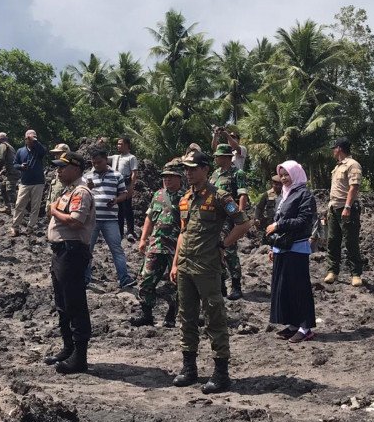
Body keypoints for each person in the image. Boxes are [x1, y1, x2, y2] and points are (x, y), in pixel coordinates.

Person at [169, 150, 251, 393]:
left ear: (206, 169)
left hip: (207, 267)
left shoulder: (219, 196)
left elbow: (243, 222)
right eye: (186, 168)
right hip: (185, 265)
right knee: (186, 316)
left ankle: (221, 373)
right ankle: (189, 368)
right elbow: (183, 233)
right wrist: (175, 263)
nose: (189, 172)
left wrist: (224, 244)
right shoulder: (184, 199)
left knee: (214, 317)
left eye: (194, 168)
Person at [45, 151, 95, 374]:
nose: (59, 170)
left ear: (76, 168)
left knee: (74, 303)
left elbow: (75, 222)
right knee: (62, 303)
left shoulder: (81, 192)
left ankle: (79, 357)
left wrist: (54, 210)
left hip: (72, 251)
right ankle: (69, 348)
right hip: (61, 251)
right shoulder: (69, 191)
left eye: (63, 167)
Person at [265, 161, 317, 343]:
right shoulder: (283, 195)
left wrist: (279, 225)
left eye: (287, 174)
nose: (284, 178)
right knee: (284, 288)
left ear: (296, 174)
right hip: (281, 247)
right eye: (282, 174)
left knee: (299, 288)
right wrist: (273, 247)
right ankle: (294, 324)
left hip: (297, 248)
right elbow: (276, 220)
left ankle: (305, 327)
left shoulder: (304, 195)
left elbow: (304, 220)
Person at [130, 160, 184, 328]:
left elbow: (186, 224)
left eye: (170, 177)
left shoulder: (186, 197)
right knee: (145, 279)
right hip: (156, 244)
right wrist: (143, 238)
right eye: (164, 177)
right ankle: (147, 314)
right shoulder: (158, 195)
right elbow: (149, 217)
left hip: (175, 247)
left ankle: (172, 314)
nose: (166, 180)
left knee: (177, 282)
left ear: (179, 178)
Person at [84, 148, 135, 289]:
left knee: (117, 249)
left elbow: (124, 194)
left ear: (106, 160)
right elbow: (81, 195)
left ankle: (124, 278)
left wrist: (116, 200)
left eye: (99, 162)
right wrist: (87, 188)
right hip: (92, 219)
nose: (96, 165)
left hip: (110, 219)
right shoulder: (87, 176)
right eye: (94, 163)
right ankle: (85, 277)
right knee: (87, 250)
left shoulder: (117, 175)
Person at [210, 143, 249, 300]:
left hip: (229, 217)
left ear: (226, 157)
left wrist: (239, 215)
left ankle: (236, 285)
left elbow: (242, 195)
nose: (216, 159)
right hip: (214, 218)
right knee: (215, 250)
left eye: (218, 156)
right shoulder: (214, 174)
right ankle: (220, 285)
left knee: (229, 250)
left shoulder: (237, 173)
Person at [325, 138, 364, 287]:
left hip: (347, 208)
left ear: (339, 148)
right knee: (333, 240)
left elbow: (354, 187)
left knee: (350, 241)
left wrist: (347, 207)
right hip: (334, 207)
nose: (333, 151)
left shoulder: (352, 165)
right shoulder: (337, 167)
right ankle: (332, 271)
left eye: (334, 148)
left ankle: (356, 274)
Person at [11, 129, 48, 236]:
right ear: (25, 139)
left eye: (34, 138)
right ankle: (15, 226)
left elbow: (43, 152)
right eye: (29, 138)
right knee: (19, 205)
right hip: (25, 182)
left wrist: (35, 141)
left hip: (38, 182)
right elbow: (15, 164)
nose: (31, 140)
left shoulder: (39, 150)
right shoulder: (20, 151)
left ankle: (30, 227)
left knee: (35, 207)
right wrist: (21, 166)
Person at [110, 136, 139, 241]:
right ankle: (120, 232)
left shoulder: (131, 157)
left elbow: (134, 173)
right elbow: (102, 158)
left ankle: (130, 231)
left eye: (121, 144)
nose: (118, 146)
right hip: (115, 185)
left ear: (127, 145)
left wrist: (131, 187)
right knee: (118, 209)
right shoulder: (115, 157)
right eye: (118, 144)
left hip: (125, 184)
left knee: (127, 208)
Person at [0, 132, 19, 215]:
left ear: (0, 139)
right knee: (3, 187)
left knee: (10, 190)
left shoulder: (3, 145)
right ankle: (7, 207)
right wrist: (4, 170)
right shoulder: (10, 147)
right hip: (13, 170)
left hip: (12, 172)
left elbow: (2, 159)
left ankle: (17, 211)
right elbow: (11, 160)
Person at [45, 144, 71, 215]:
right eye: (55, 154)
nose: (55, 156)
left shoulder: (70, 172)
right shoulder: (57, 170)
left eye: (58, 153)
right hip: (53, 210)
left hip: (61, 212)